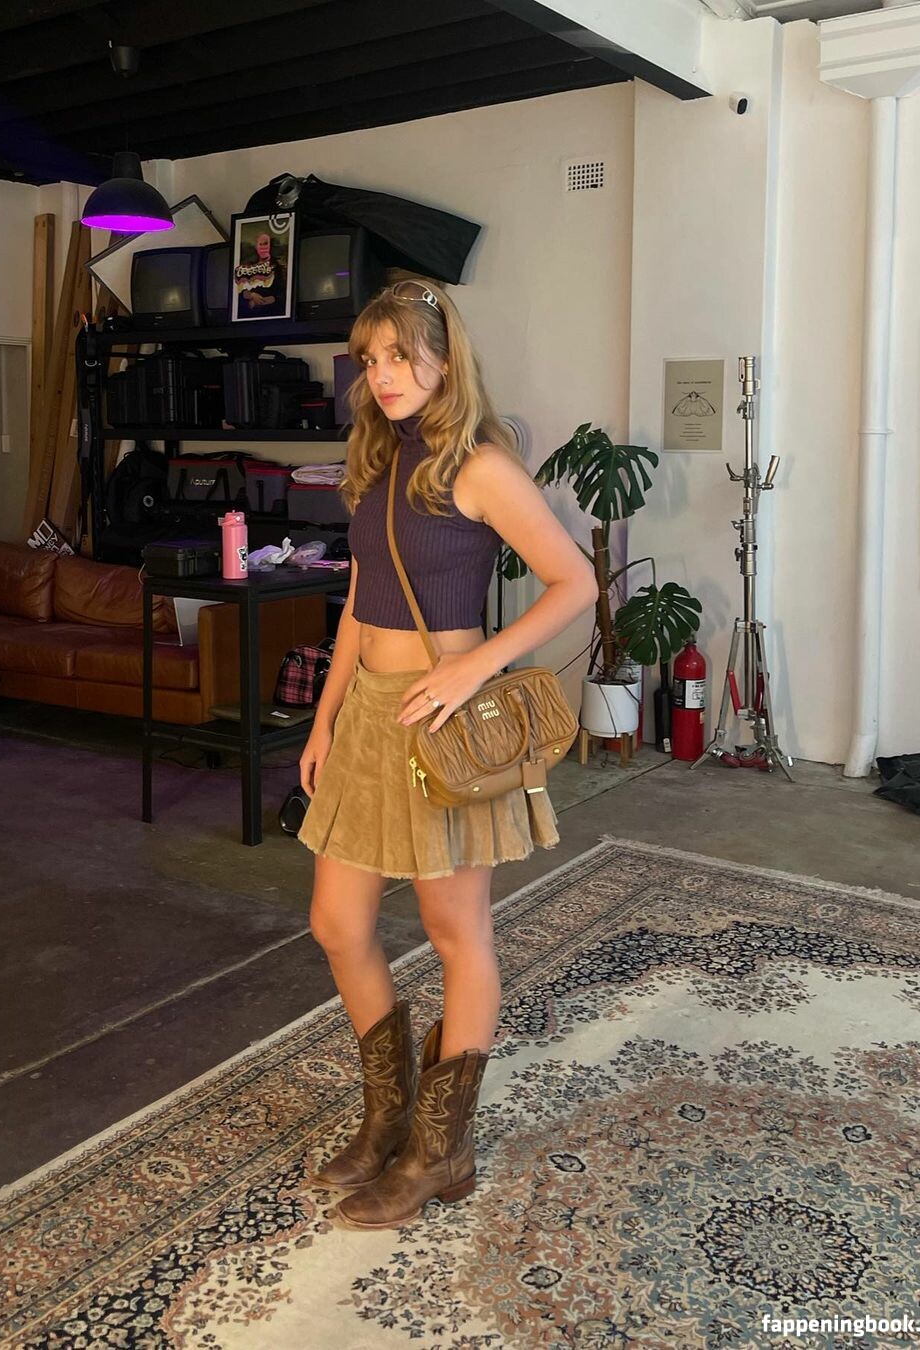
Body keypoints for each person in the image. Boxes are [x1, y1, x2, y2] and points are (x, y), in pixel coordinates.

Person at [296, 277, 595, 1230]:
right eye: (370, 359)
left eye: (400, 355)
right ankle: (388, 1116)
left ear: (443, 356)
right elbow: (361, 597)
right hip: (369, 716)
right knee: (337, 922)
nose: (382, 374)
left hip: (445, 721)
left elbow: (575, 582)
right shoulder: (382, 458)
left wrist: (477, 665)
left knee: (454, 928)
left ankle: (440, 1150)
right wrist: (325, 717)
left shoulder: (480, 465)